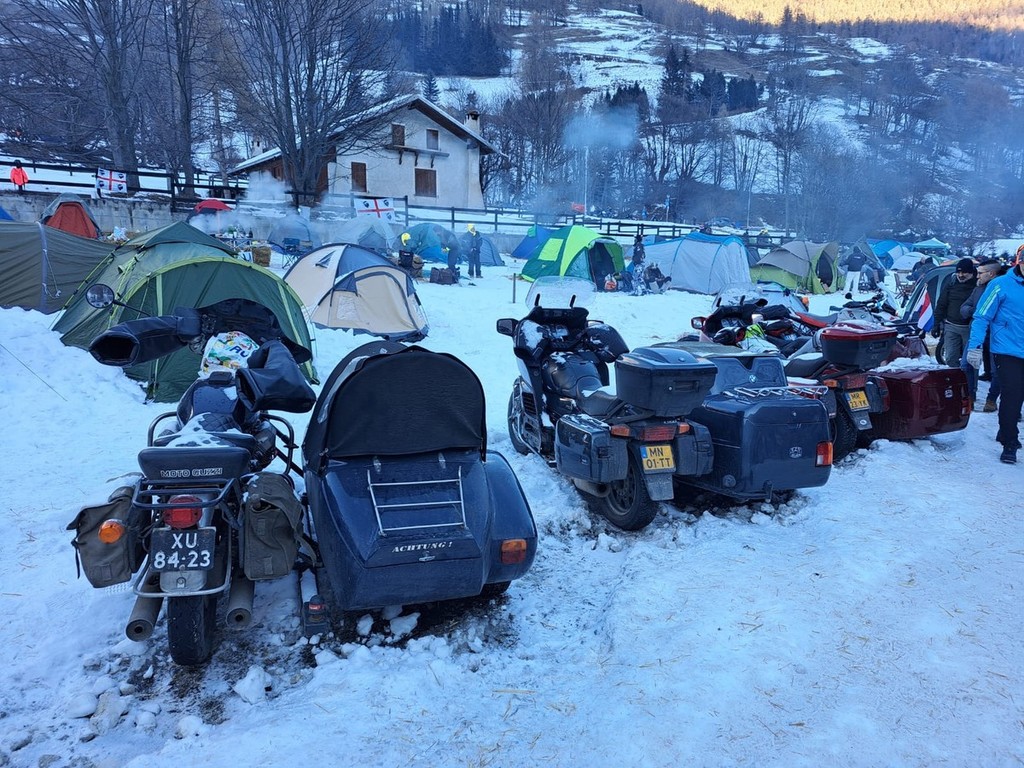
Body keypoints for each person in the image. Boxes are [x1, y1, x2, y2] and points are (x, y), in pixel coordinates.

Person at [965, 259, 1024, 464]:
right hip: (1008, 351)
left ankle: (1005, 432)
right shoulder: (1000, 285)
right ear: (1021, 264)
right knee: (1013, 396)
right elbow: (981, 317)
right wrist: (975, 346)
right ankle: (1009, 443)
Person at [959, 258, 1002, 411]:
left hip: (997, 335)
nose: (977, 276)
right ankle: (970, 396)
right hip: (977, 332)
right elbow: (965, 306)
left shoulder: (1003, 288)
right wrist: (974, 312)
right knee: (966, 364)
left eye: (980, 273)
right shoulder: (978, 289)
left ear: (991, 274)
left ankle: (991, 399)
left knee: (997, 370)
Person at [932, 258, 977, 367]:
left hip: (970, 328)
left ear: (971, 273)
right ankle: (956, 379)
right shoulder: (951, 284)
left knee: (971, 361)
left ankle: (970, 382)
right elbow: (941, 304)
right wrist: (936, 324)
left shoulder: (978, 286)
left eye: (964, 272)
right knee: (950, 358)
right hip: (951, 326)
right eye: (958, 272)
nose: (961, 275)